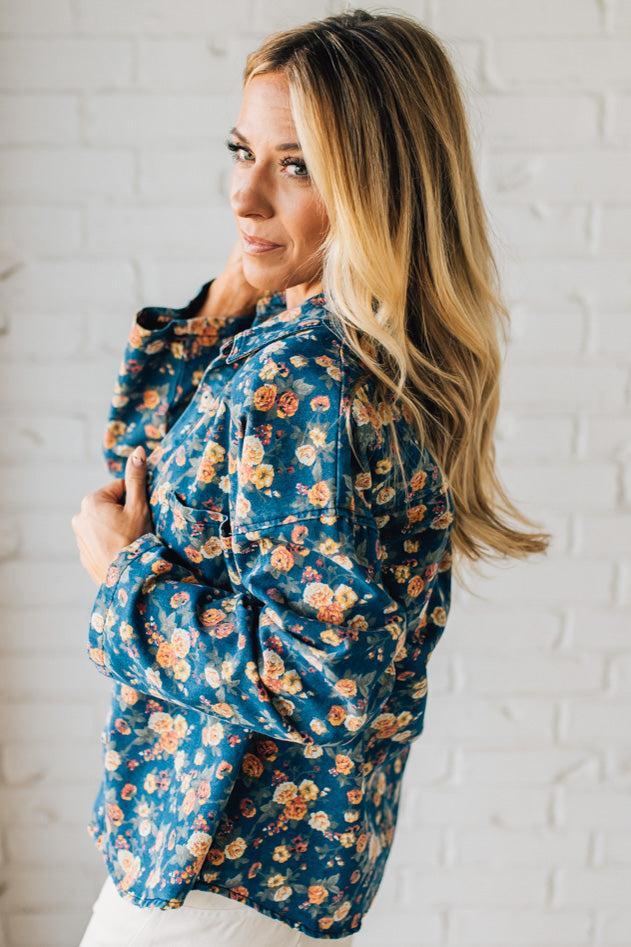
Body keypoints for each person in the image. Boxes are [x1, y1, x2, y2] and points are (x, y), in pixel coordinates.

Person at [72, 9, 551, 945]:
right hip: (236, 873)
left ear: (377, 186)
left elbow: (321, 678)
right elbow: (139, 463)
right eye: (241, 150)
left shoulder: (305, 380)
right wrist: (237, 288)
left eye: (295, 165)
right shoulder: (318, 346)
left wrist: (125, 578)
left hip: (209, 881)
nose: (243, 196)